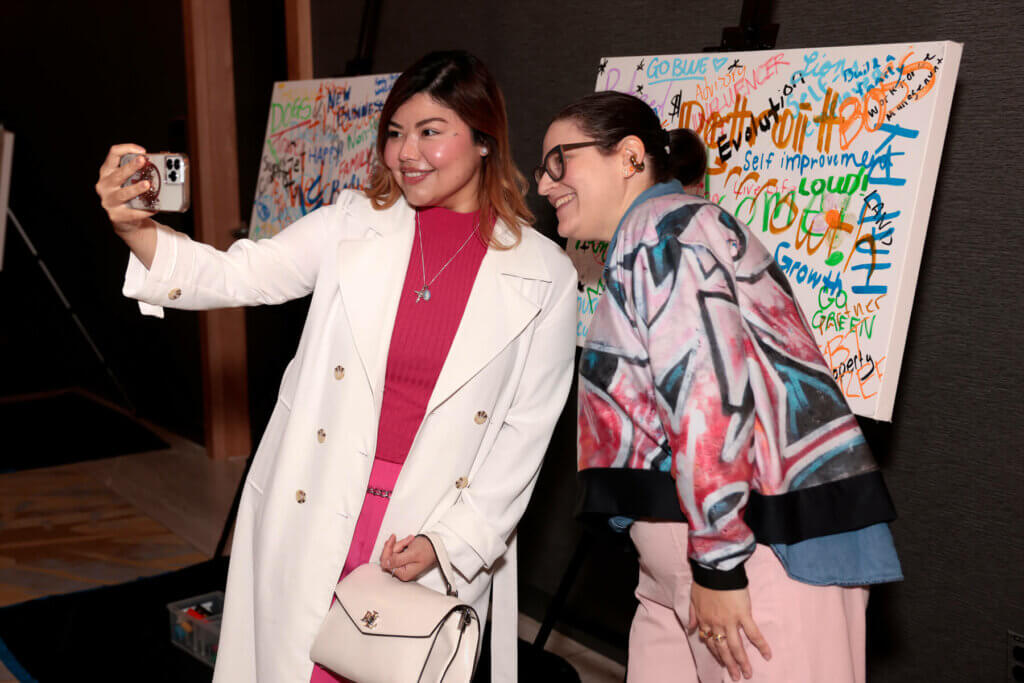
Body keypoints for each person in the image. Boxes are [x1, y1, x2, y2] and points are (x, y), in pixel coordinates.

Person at [95, 50, 577, 683]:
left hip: (428, 527)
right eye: (395, 133)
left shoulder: (545, 274)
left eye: (430, 132)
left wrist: (450, 542)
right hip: (317, 497)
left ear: (484, 139)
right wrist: (135, 230)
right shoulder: (352, 222)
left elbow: (524, 435)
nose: (406, 153)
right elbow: (244, 273)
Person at [536, 91, 902, 683]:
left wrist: (720, 567)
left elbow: (707, 398)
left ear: (629, 156)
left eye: (560, 160)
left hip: (754, 554)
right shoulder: (657, 233)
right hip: (699, 554)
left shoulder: (665, 235)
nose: (544, 183)